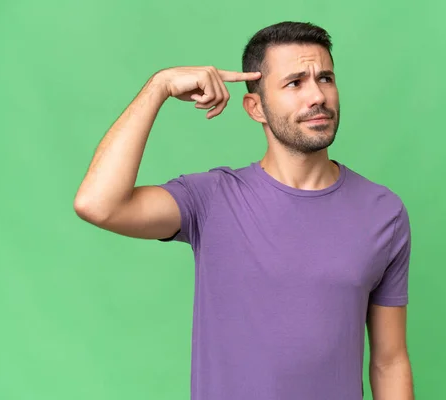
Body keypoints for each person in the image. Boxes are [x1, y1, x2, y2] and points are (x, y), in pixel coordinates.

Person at [74, 21, 414, 400]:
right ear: (256, 108)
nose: (317, 95)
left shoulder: (384, 212)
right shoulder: (210, 198)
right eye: (295, 82)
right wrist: (160, 86)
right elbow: (97, 204)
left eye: (326, 78)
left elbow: (389, 360)